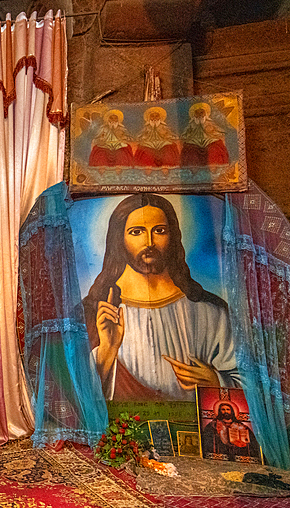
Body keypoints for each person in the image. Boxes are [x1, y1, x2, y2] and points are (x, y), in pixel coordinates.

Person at [82, 194, 240, 401]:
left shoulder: (211, 312)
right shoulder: (96, 313)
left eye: (159, 231)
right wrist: (106, 352)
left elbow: (251, 387)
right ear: (118, 239)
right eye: (136, 232)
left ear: (173, 236)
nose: (149, 242)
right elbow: (70, 396)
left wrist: (216, 382)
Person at [180, 102, 229, 169]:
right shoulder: (192, 124)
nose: (200, 115)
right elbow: (185, 133)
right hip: (194, 141)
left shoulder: (209, 123)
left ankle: (214, 166)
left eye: (201, 113)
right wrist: (185, 136)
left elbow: (219, 130)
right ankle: (193, 168)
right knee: (189, 150)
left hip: (209, 140)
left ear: (205, 114)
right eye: (197, 113)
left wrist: (216, 132)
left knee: (216, 147)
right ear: (194, 115)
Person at [133, 106, 180, 171]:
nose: (154, 118)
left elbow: (171, 135)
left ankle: (167, 167)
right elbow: (141, 135)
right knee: (142, 150)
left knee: (170, 147)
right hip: (149, 143)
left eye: (156, 116)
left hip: (163, 143)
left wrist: (169, 136)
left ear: (160, 118)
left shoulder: (163, 127)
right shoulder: (147, 128)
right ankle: (147, 168)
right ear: (149, 118)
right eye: (152, 116)